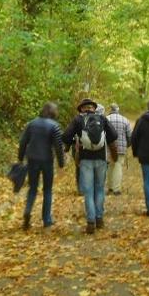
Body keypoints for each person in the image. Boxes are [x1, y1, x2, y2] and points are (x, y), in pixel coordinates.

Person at [63, 98, 118, 234]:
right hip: (101, 160)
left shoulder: (78, 120)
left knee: (88, 192)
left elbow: (65, 136)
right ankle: (99, 219)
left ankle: (90, 222)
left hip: (85, 160)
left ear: (82, 108)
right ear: (93, 108)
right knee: (99, 189)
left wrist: (73, 142)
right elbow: (114, 136)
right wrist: (114, 155)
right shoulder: (102, 118)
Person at [18, 102, 65, 231]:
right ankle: (47, 220)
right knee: (47, 190)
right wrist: (61, 165)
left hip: (32, 159)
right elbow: (58, 147)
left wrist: (20, 159)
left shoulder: (32, 124)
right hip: (47, 161)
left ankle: (27, 212)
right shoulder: (55, 126)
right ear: (52, 112)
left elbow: (23, 142)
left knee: (32, 188)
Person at [106, 103, 131, 195]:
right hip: (121, 148)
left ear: (110, 109)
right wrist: (127, 145)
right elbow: (129, 136)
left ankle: (110, 187)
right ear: (118, 109)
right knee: (118, 166)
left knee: (110, 167)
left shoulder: (106, 119)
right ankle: (116, 189)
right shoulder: (125, 120)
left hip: (108, 147)